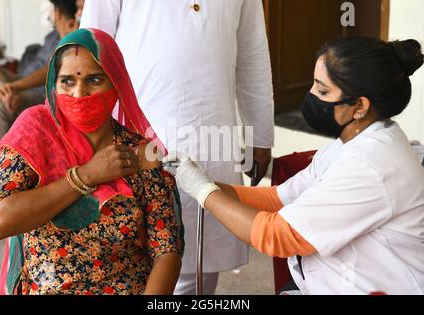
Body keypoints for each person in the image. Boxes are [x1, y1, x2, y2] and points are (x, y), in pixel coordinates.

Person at [163, 37, 424, 295]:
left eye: (322, 91)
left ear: (359, 106)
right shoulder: (354, 141)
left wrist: (202, 190)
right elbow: (279, 197)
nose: (310, 95)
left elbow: (277, 235)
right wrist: (200, 182)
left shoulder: (372, 164)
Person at [80, 0, 275, 295]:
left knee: (202, 258)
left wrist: (260, 136)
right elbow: (91, 49)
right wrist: (86, 136)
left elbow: (252, 55)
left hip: (212, 137)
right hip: (138, 135)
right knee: (136, 253)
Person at [0, 28, 183, 295]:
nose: (80, 93)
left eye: (94, 79)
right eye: (67, 81)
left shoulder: (139, 152)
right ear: (54, 85)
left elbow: (166, 250)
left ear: (116, 83)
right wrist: (86, 177)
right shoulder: (36, 132)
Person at [0, 0, 78, 204]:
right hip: (20, 83)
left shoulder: (71, 35)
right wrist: (12, 87)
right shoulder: (51, 35)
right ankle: (4, 96)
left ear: (56, 12)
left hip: (39, 92)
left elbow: (53, 69)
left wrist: (17, 87)